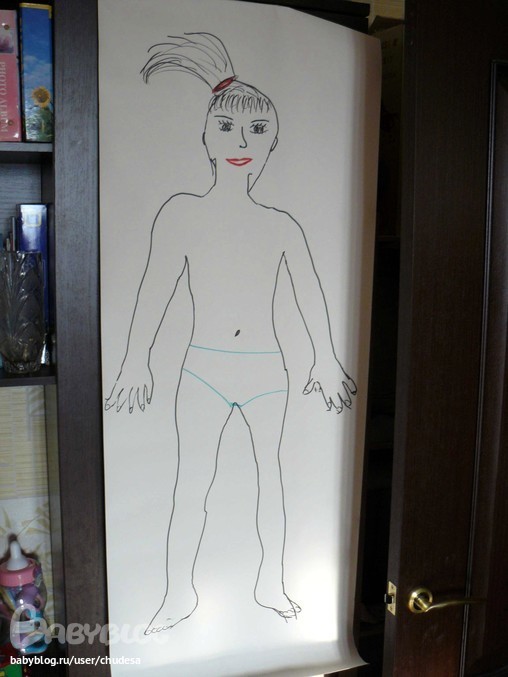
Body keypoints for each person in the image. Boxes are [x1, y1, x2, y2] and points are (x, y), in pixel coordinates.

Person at [105, 32, 356, 633]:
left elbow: (311, 295)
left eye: (257, 131)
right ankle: (178, 594)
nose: (242, 143)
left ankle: (271, 584)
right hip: (203, 369)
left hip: (268, 369)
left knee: (272, 478)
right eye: (227, 128)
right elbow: (153, 291)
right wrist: (135, 359)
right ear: (207, 136)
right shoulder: (180, 213)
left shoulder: (282, 225)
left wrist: (325, 358)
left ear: (272, 142)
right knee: (191, 482)